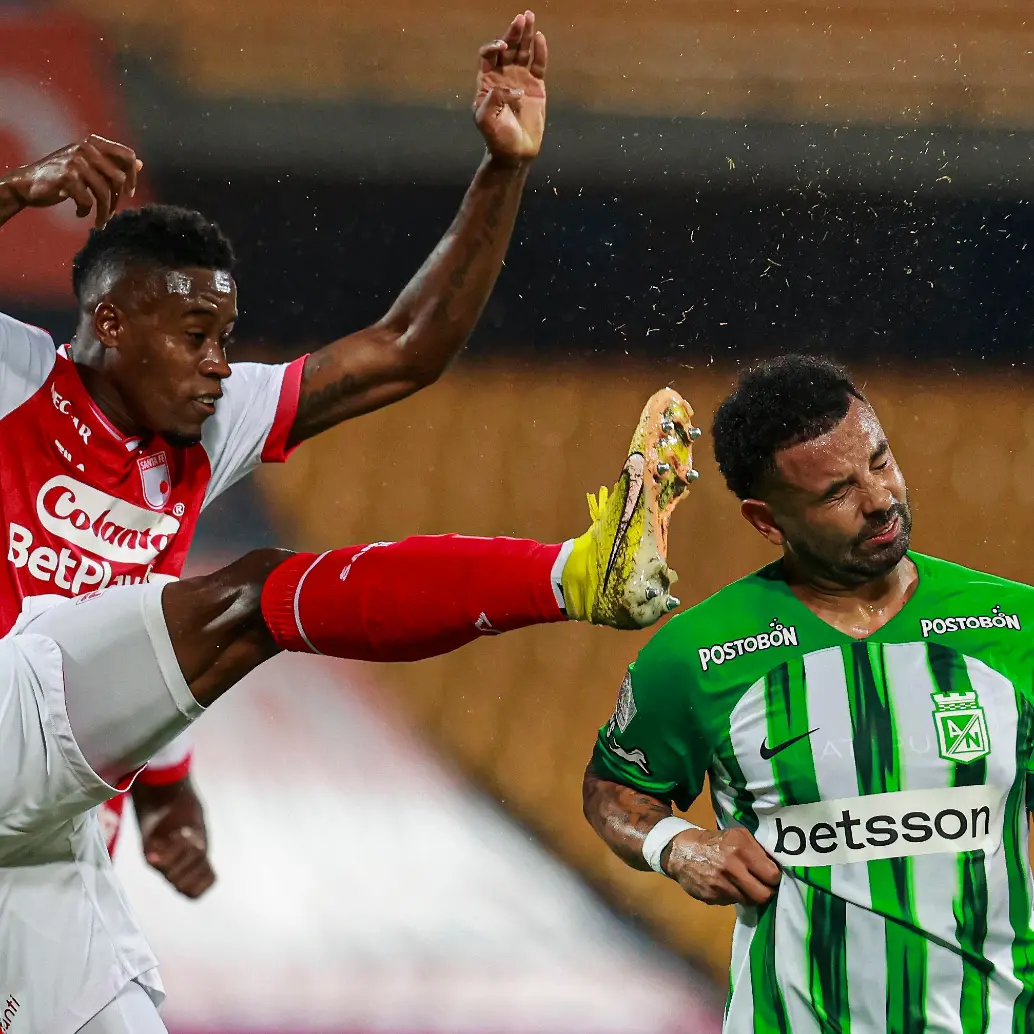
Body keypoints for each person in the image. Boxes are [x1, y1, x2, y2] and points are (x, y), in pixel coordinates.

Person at [0, 10, 553, 906]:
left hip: (58, 837)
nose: (220, 364)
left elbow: (405, 348)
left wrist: (504, 168)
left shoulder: (212, 420)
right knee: (258, 591)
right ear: (111, 324)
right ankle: (565, 578)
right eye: (195, 336)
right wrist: (18, 187)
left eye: (224, 338)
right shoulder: (14, 377)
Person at [583, 355, 1034, 1034]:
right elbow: (613, 788)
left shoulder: (1015, 627)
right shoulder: (697, 655)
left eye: (881, 462)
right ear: (767, 521)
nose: (880, 499)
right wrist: (675, 846)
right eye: (836, 493)